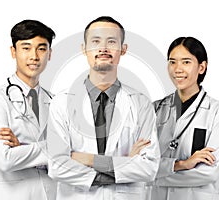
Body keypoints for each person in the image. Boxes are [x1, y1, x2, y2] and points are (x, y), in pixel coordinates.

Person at [46, 16, 160, 200]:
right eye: (96, 41)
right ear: (84, 49)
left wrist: (89, 160)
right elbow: (57, 166)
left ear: (123, 49)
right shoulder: (61, 102)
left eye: (112, 41)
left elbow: (149, 167)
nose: (103, 48)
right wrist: (124, 165)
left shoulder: (141, 103)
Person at [0, 19, 57, 200]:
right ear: (13, 52)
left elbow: (68, 160)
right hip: (12, 195)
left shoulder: (55, 102)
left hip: (50, 193)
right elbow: (6, 160)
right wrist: (54, 150)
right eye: (26, 48)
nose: (34, 56)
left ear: (49, 54)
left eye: (41, 48)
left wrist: (23, 148)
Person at [150, 36, 219, 200]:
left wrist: (155, 176)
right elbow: (141, 163)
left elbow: (209, 173)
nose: (177, 69)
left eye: (186, 62)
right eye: (172, 62)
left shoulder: (217, 112)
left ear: (201, 67)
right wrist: (182, 165)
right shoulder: (155, 109)